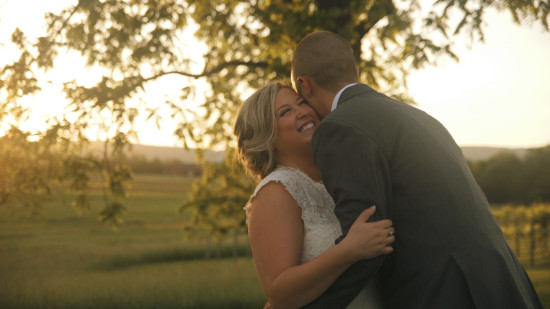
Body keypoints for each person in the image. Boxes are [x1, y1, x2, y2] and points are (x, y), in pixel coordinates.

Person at [291, 30, 544, 309]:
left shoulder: (338, 128)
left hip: (446, 294)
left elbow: (368, 242)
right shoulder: (422, 118)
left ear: (304, 85)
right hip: (503, 285)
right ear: (355, 70)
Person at [234, 81, 395, 309]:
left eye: (301, 102)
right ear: (267, 138)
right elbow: (279, 292)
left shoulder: (339, 176)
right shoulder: (277, 191)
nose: (302, 112)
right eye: (285, 112)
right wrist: (348, 250)